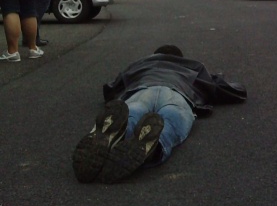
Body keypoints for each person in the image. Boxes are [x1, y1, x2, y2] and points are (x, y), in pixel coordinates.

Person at [72, 45, 247, 183]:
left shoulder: (140, 63)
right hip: (176, 91)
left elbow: (112, 87)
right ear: (180, 58)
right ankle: (154, 145)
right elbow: (224, 89)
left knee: (133, 110)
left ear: (153, 55)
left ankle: (114, 134)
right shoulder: (192, 66)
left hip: (142, 88)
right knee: (171, 116)